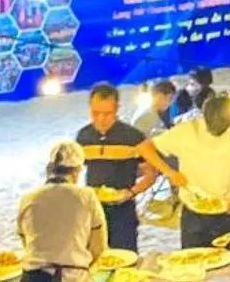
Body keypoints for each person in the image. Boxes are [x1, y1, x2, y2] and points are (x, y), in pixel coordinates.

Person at [73, 84, 177, 252]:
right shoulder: (83, 136)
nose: (100, 119)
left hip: (123, 209)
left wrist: (131, 193)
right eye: (95, 113)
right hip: (93, 209)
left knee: (125, 258)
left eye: (107, 114)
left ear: (117, 109)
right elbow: (74, 173)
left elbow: (151, 174)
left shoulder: (132, 137)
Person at [17, 140, 107, 282]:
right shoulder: (86, 196)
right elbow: (99, 246)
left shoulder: (28, 199)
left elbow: (26, 243)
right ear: (77, 172)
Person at [152, 95, 230, 247]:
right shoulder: (186, 130)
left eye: (223, 126)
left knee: (227, 262)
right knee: (192, 261)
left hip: (225, 210)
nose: (217, 131)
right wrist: (170, 172)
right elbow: (145, 148)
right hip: (193, 209)